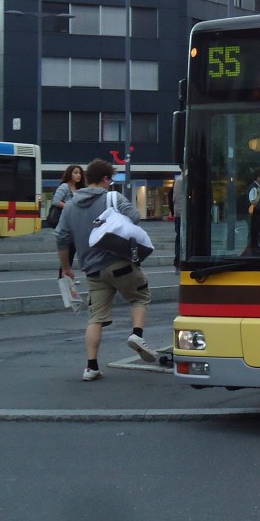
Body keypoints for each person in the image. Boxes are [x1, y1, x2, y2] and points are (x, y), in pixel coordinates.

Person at [54, 158, 158, 381]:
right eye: (110, 179)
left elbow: (61, 238)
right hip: (119, 263)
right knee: (140, 297)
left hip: (92, 270)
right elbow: (135, 218)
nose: (111, 183)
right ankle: (137, 335)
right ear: (104, 178)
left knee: (96, 318)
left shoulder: (70, 205)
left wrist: (66, 268)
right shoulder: (113, 197)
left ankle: (91, 367)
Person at [50, 164, 86, 275]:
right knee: (68, 251)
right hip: (66, 223)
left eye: (79, 173)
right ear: (69, 174)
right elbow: (56, 201)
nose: (78, 175)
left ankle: (66, 275)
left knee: (72, 251)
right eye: (75, 172)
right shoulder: (64, 187)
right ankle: (64, 276)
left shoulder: (80, 189)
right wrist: (70, 207)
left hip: (77, 224)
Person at [247, 169, 260, 251]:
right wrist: (259, 194)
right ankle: (252, 249)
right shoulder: (254, 188)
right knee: (253, 233)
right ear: (258, 177)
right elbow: (253, 202)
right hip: (254, 215)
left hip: (259, 215)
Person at [171, 169, 183, 269]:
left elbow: (173, 199)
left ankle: (178, 262)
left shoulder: (178, 180)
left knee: (179, 238)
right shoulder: (182, 180)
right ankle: (178, 261)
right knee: (180, 239)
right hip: (182, 215)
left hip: (179, 214)